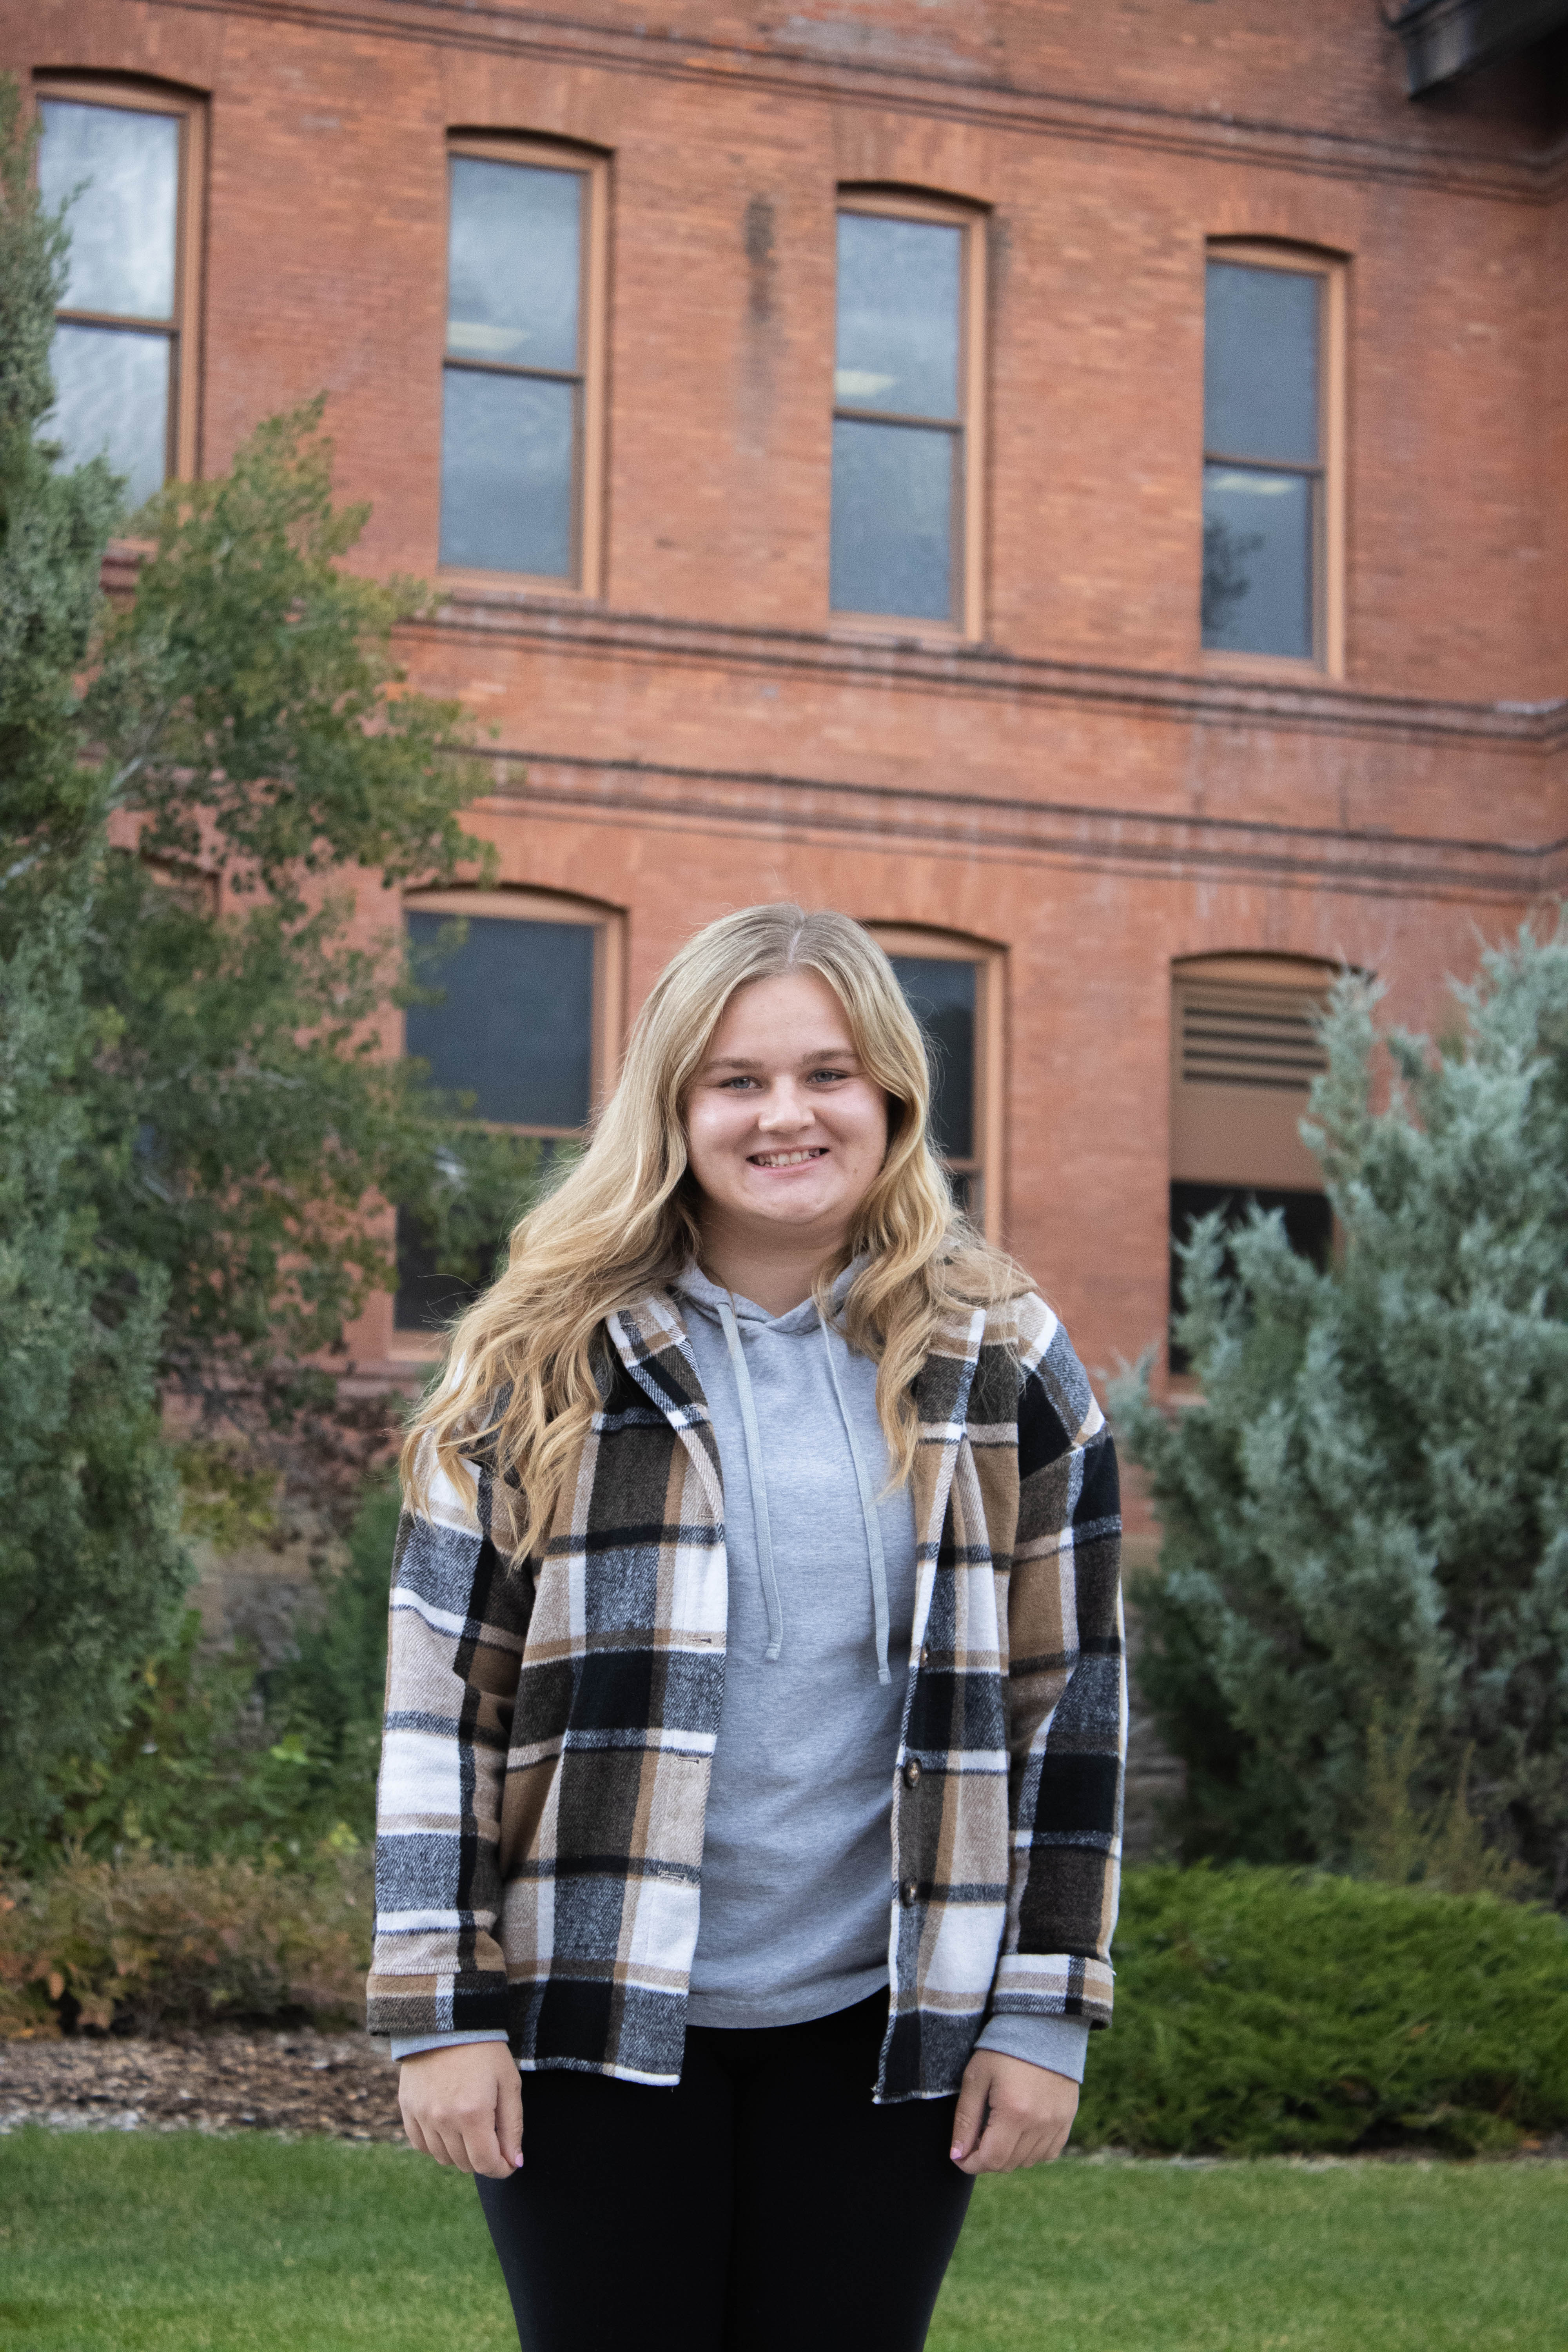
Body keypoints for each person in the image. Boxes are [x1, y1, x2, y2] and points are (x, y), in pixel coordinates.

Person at [368, 903, 1124, 2352]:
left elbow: (1071, 1705)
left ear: (892, 1096)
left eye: (829, 1073)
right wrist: (440, 2010)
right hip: (585, 2006)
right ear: (675, 1107)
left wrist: (1046, 2010)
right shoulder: (540, 1358)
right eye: (739, 1081)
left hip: (885, 2020)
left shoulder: (1004, 1357)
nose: (788, 1115)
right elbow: (439, 1706)